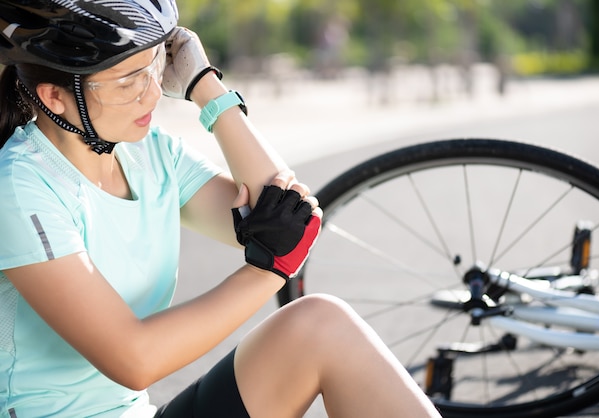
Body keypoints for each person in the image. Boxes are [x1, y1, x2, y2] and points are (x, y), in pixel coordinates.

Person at [0, 1, 442, 417]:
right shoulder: (20, 188)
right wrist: (266, 271)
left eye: (156, 65)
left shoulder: (149, 152)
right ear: (54, 97)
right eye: (128, 80)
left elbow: (288, 216)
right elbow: (134, 359)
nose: (153, 93)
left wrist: (205, 87)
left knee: (321, 323)